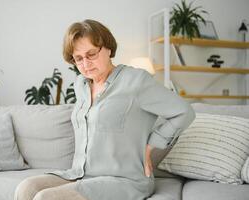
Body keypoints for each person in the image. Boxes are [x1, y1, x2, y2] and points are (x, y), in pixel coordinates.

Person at [14, 19, 195, 200]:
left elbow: (183, 111)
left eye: (91, 54)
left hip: (124, 180)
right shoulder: (81, 85)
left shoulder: (135, 81)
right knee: (26, 188)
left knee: (45, 198)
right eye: (78, 58)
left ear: (108, 48)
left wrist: (151, 146)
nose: (85, 63)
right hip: (81, 174)